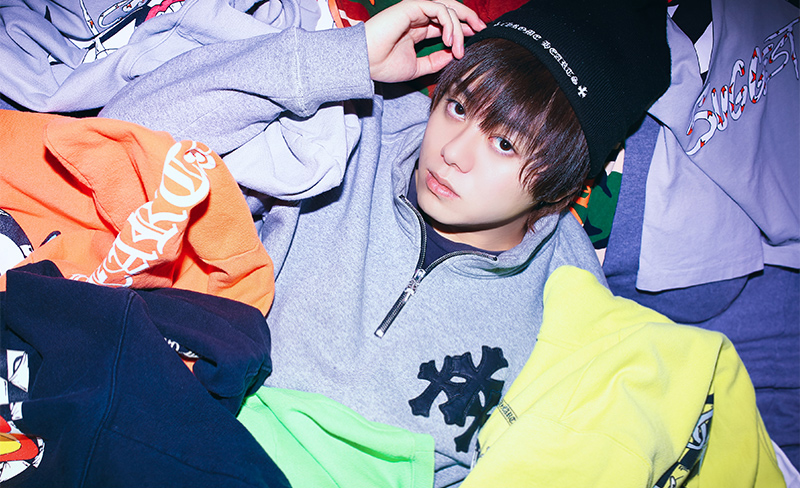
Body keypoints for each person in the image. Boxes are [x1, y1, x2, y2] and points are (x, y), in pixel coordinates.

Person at [100, 0, 670, 484]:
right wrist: (346, 58)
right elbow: (122, 139)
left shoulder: (570, 306)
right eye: (458, 107)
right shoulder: (358, 128)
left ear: (563, 185)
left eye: (504, 144)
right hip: (189, 429)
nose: (453, 152)